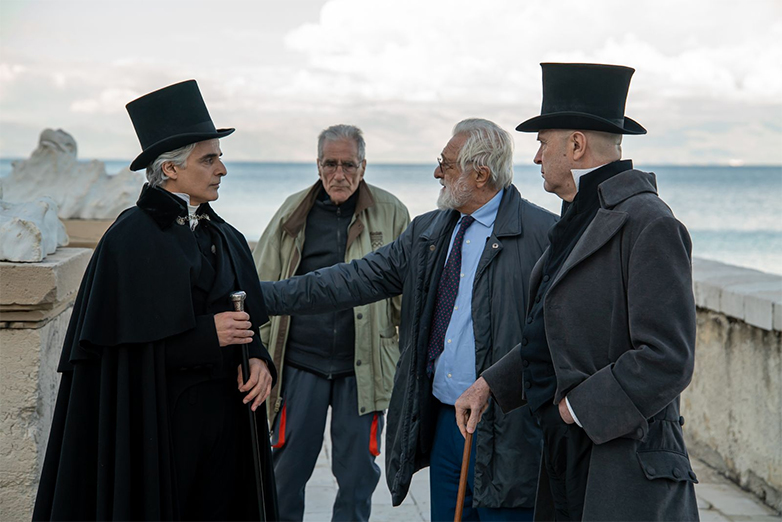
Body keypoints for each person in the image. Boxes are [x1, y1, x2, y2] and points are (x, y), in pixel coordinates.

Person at [260, 118, 557, 521]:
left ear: (480, 173)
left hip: (510, 432)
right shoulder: (427, 232)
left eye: (446, 164)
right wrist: (259, 298)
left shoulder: (544, 235)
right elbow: (349, 280)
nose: (437, 172)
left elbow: (555, 337)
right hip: (446, 421)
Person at [455, 63, 699, 521]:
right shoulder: (580, 214)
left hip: (622, 466)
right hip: (568, 454)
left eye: (542, 143)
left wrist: (574, 409)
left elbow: (668, 357)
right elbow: (556, 331)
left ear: (576, 145)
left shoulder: (650, 223)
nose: (535, 158)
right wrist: (490, 384)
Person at [33, 80, 278, 521]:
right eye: (209, 159)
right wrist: (207, 335)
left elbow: (247, 326)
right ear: (170, 169)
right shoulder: (128, 241)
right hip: (160, 434)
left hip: (229, 430)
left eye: (219, 157)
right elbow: (118, 357)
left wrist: (259, 360)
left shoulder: (225, 235)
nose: (222, 169)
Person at [252, 124, 410, 521]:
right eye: (330, 164)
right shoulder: (292, 212)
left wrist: (406, 360)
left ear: (363, 166)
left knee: (357, 478)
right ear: (318, 164)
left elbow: (406, 302)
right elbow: (261, 287)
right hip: (299, 365)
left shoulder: (392, 212)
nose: (339, 174)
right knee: (285, 473)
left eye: (349, 165)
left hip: (363, 371)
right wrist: (259, 356)